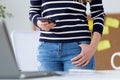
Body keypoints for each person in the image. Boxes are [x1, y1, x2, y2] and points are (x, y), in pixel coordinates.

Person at [29, 0, 105, 71]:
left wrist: (93, 47)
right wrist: (38, 22)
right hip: (47, 50)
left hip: (78, 49)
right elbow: (33, 11)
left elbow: (99, 15)